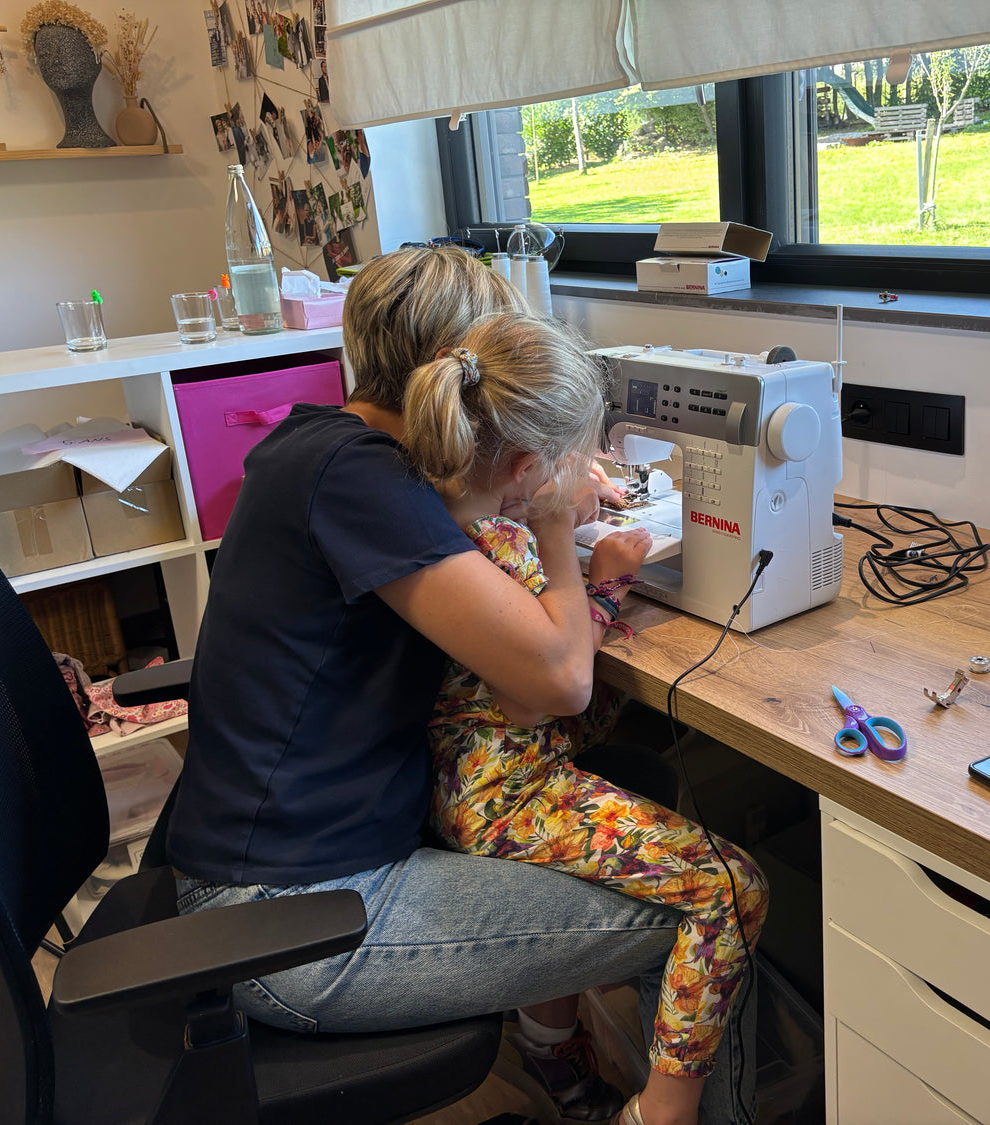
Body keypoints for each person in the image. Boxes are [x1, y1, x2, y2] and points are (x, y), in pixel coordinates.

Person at [164, 246, 757, 1125]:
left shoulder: (322, 445)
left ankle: (568, 1074)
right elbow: (555, 679)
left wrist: (534, 503)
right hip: (293, 924)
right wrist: (553, 509)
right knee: (719, 904)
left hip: (283, 867)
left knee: (637, 796)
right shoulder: (364, 479)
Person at [409, 316, 769, 1125]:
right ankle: (662, 1113)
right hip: (501, 791)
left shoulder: (447, 514)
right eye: (574, 457)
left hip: (461, 773)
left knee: (643, 767)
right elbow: (536, 698)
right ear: (531, 469)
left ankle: (551, 1046)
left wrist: (563, 527)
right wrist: (598, 580)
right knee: (732, 886)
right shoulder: (500, 545)